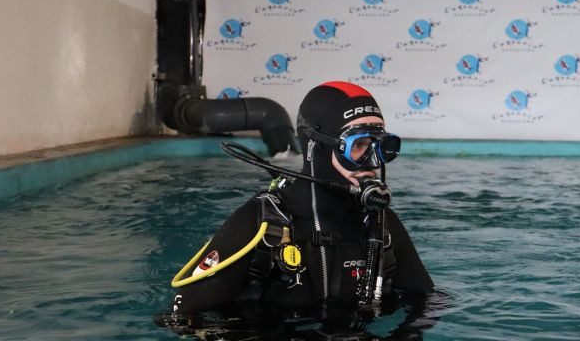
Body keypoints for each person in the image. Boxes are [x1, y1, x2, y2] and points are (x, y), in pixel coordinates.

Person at [169, 81, 434, 315]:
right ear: (315, 147)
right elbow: (183, 316)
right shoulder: (261, 223)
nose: (373, 162)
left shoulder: (380, 223)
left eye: (381, 148)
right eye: (359, 146)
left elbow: (426, 303)